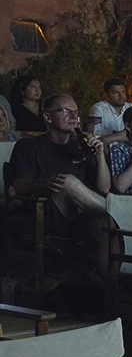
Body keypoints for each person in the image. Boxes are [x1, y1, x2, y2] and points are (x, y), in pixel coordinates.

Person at [10, 93, 111, 274]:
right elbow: (18, 186)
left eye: (75, 112)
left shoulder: (82, 146)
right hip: (47, 214)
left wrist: (100, 155)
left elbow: (104, 188)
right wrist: (46, 183)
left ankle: (110, 287)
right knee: (66, 181)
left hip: (84, 214)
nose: (73, 116)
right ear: (48, 117)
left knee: (105, 225)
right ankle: (120, 213)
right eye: (65, 111)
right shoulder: (28, 146)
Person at [88, 78, 132, 144]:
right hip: (105, 149)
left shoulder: (131, 108)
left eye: (123, 92)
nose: (121, 96)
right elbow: (94, 135)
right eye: (116, 93)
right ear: (107, 95)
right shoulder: (98, 109)